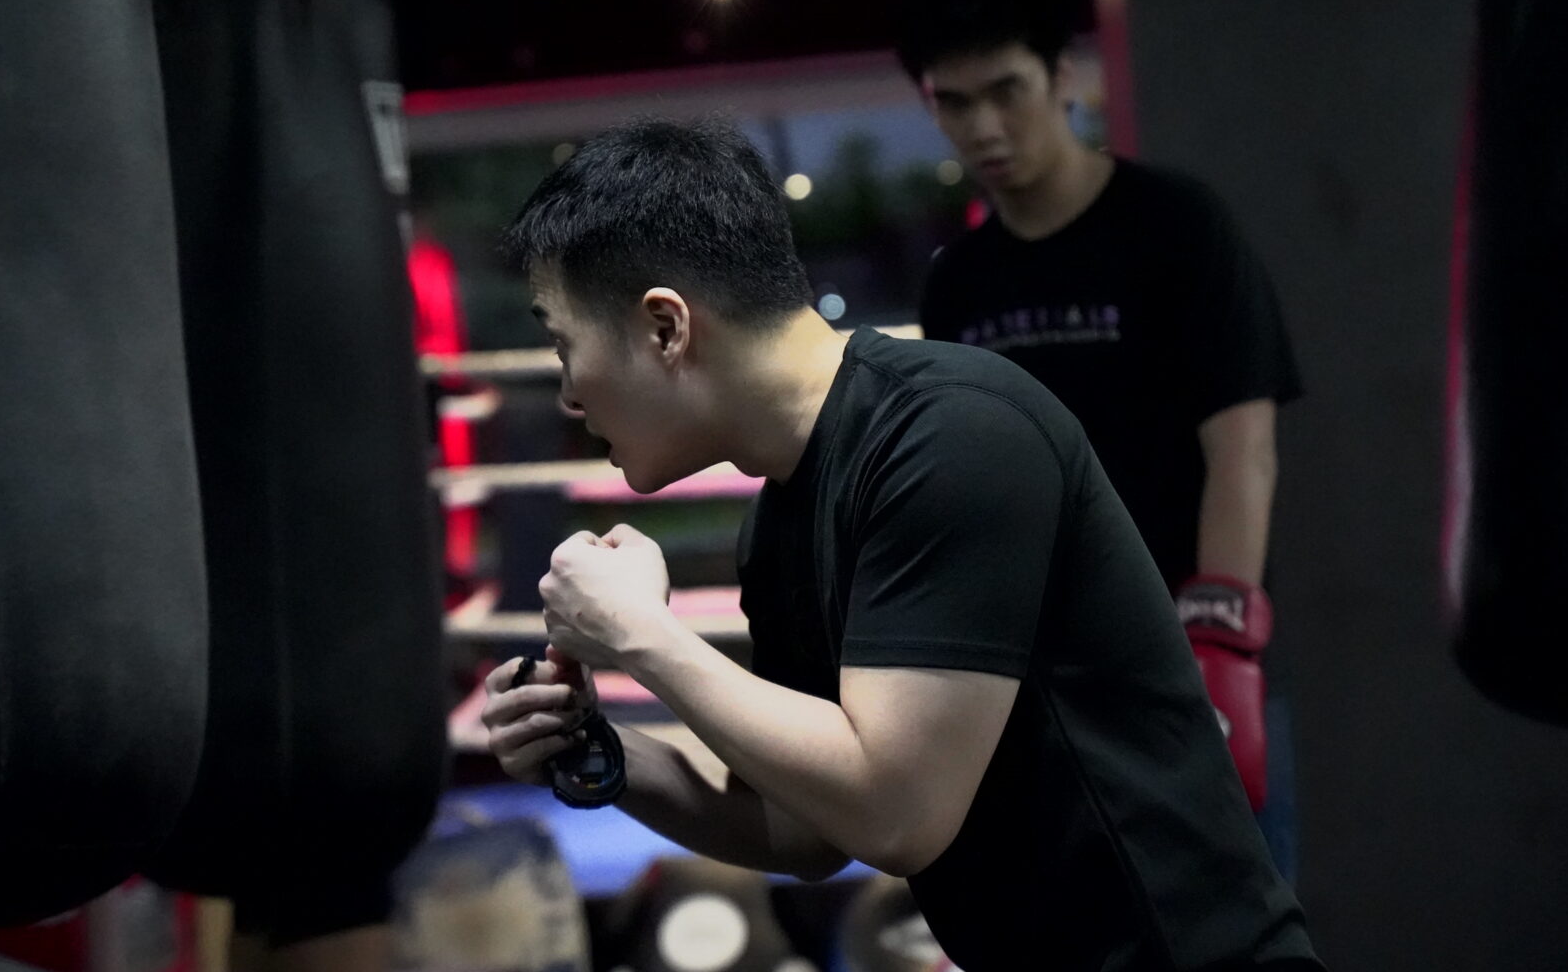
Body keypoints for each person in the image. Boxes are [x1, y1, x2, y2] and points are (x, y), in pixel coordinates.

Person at [480, 119, 1322, 970]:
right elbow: (807, 824)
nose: (568, 396)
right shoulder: (782, 519)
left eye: (563, 345)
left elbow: (898, 814)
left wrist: (639, 636)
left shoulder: (950, 433)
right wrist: (599, 748)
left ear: (665, 328)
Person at [900, 0, 1304, 880]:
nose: (986, 126)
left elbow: (1242, 449)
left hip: (1184, 662)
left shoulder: (1176, 226)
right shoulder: (959, 286)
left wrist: (1215, 650)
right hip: (1041, 680)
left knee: (1239, 926)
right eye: (955, 103)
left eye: (1007, 90)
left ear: (1062, 77)